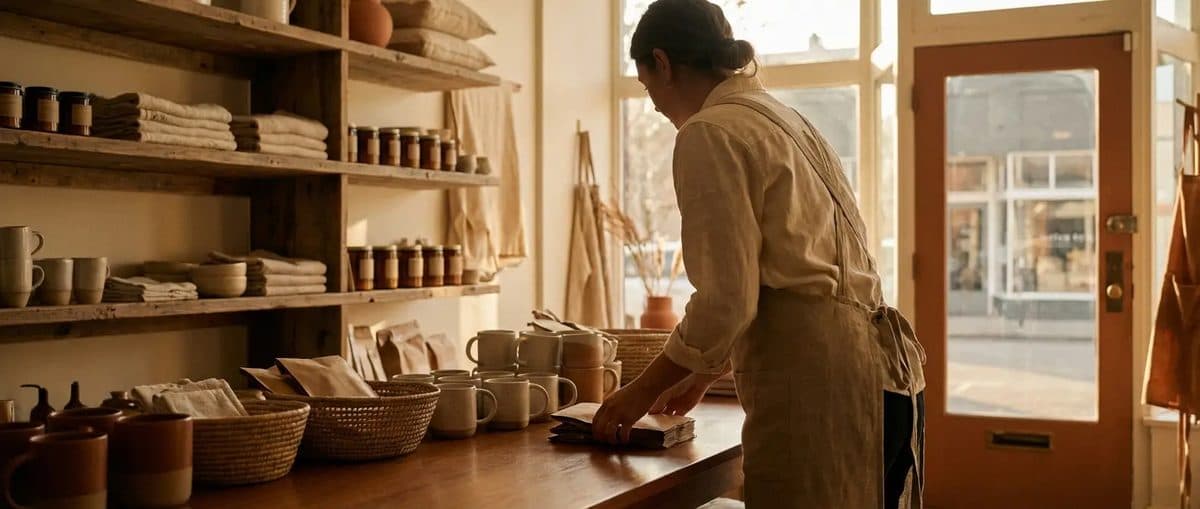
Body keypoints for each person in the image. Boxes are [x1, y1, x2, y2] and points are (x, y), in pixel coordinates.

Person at [591, 1, 927, 507]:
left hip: (813, 381)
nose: (655, 106)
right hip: (883, 375)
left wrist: (637, 394)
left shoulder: (709, 131)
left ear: (662, 62)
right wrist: (703, 372)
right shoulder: (786, 118)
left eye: (647, 87)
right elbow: (787, 269)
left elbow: (727, 300)